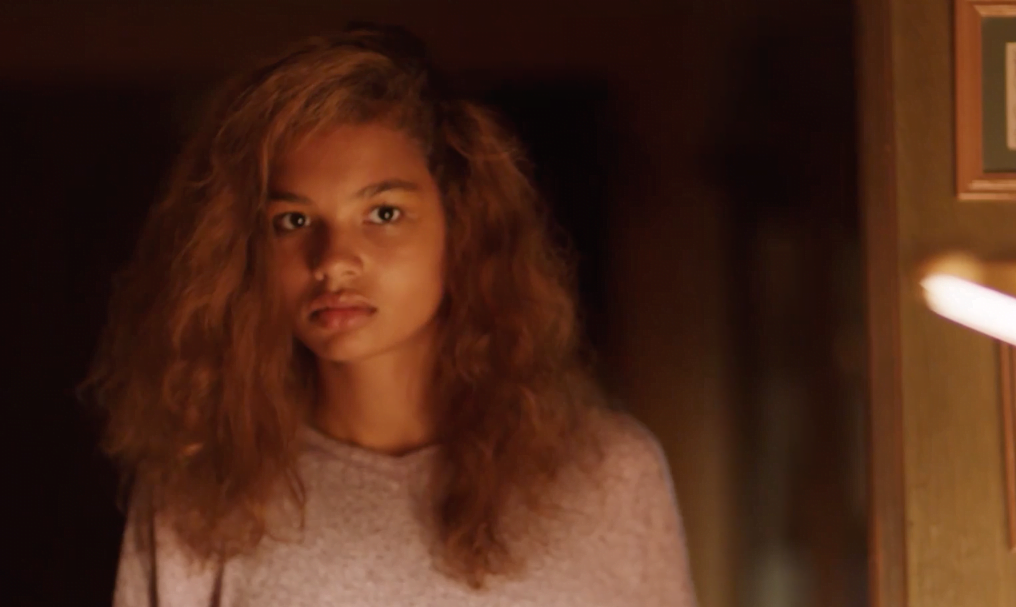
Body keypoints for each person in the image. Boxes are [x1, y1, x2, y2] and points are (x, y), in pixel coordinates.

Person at [82, 24, 698, 607]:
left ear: (461, 226)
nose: (334, 261)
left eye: (383, 213)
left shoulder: (609, 476)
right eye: (293, 221)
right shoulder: (202, 491)